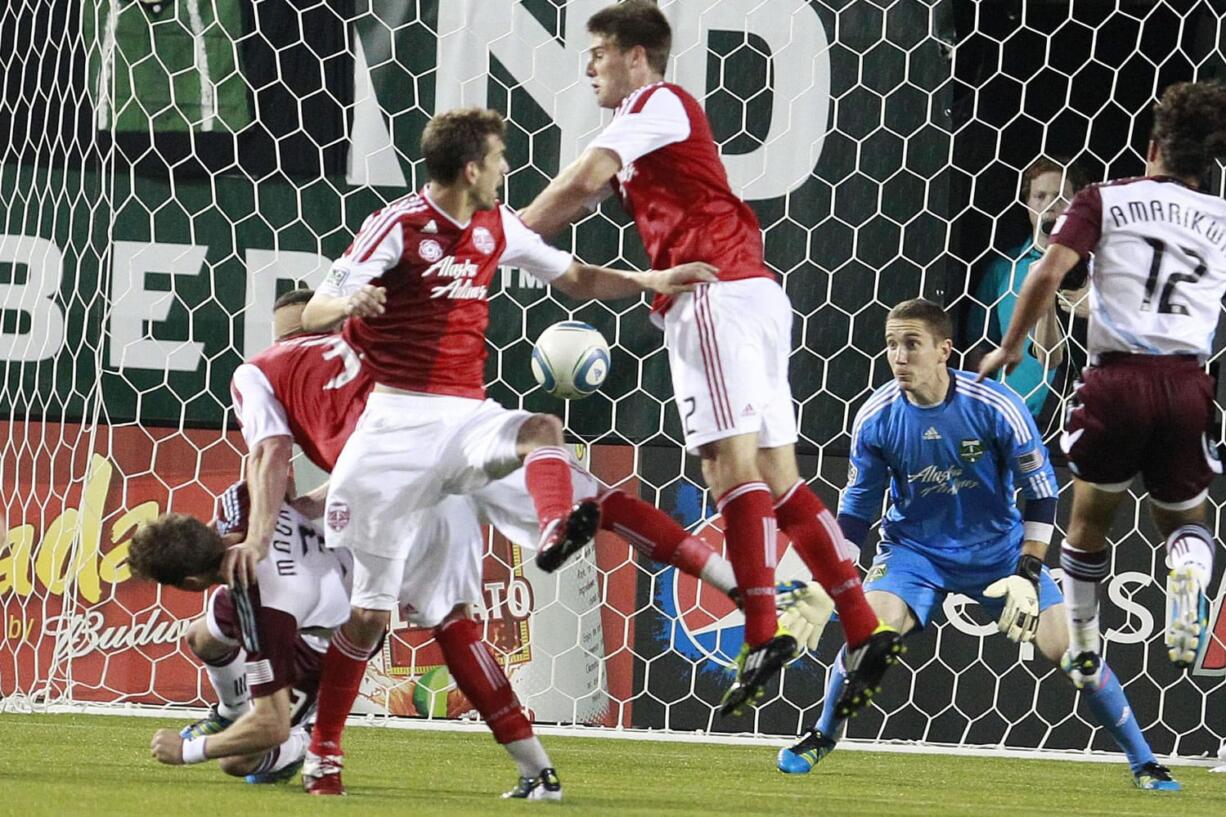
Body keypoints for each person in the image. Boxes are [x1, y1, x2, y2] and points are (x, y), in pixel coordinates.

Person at [295, 105, 789, 794]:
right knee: (372, 614)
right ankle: (324, 749)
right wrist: (351, 305)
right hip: (394, 428)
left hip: (467, 419)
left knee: (543, 433)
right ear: (472, 168)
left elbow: (576, 275)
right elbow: (320, 304)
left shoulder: (497, 227)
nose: (507, 169)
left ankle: (558, 528)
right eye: (499, 158)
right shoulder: (398, 226)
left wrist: (648, 283)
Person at [517, 0, 899, 719]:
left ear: (637, 55)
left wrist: (498, 232)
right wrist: (524, 237)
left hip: (713, 296)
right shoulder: (650, 133)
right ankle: (861, 624)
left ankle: (760, 632)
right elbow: (583, 199)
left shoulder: (657, 100)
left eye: (598, 51)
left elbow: (579, 179)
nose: (589, 65)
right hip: (751, 291)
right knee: (781, 478)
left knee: (728, 468)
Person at [778, 299, 1180, 791]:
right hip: (914, 554)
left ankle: (1145, 763)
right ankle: (821, 736)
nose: (899, 357)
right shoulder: (876, 417)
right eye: (891, 345)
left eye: (911, 344)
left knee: (1080, 660)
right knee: (869, 644)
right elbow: (857, 512)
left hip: (1000, 554)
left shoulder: (995, 406)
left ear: (945, 350)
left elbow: (1041, 494)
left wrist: (1029, 573)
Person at [978, 81, 1226, 675]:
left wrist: (1012, 347)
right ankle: (1189, 571)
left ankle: (1085, 640)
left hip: (1115, 381)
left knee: (1087, 521)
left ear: (1151, 148)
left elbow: (1047, 273)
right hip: (1188, 383)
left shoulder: (1103, 199)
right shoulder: (1220, 216)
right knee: (1186, 522)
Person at [131, 482, 349, 785]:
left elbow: (271, 725)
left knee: (239, 760)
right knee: (200, 636)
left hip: (328, 635)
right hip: (316, 580)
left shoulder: (264, 615)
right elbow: (279, 471)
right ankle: (231, 713)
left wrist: (186, 751)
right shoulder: (240, 498)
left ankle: (304, 741)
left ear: (192, 582)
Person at [966, 158, 1089, 420]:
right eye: (1039, 196)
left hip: (1077, 418)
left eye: (1060, 196)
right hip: (1011, 415)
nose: (1049, 206)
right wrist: (975, 412)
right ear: (1026, 203)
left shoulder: (1097, 269)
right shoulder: (1003, 270)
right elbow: (979, 344)